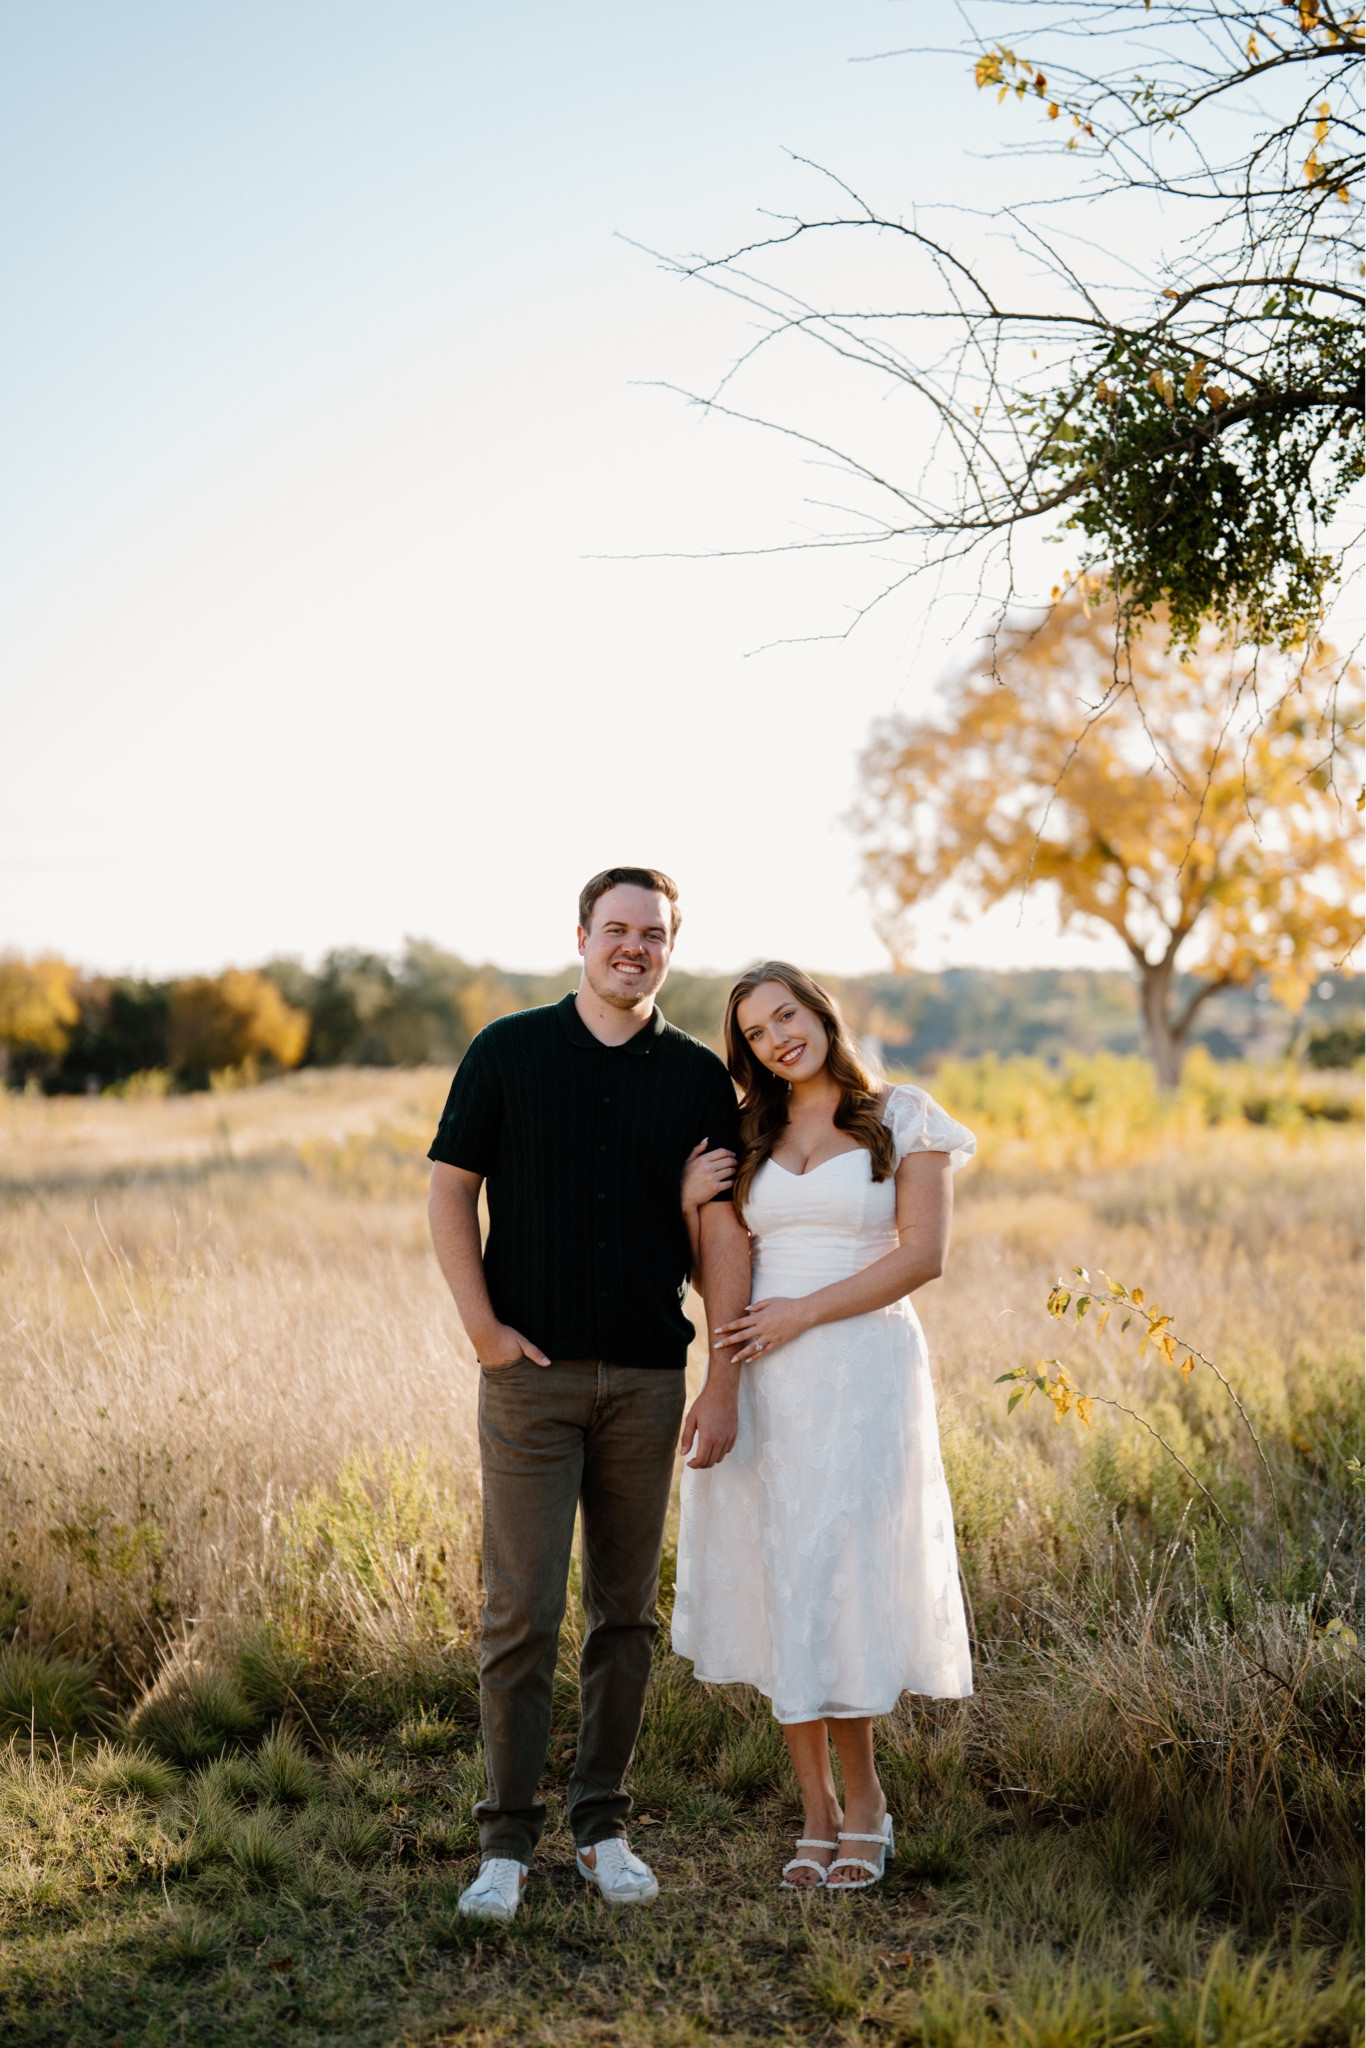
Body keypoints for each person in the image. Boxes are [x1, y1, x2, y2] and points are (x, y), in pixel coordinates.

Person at [426, 867, 751, 1924]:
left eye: (652, 934)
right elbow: (449, 1189)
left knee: (625, 1614)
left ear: (669, 947)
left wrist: (722, 1375)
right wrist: (481, 1328)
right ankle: (505, 1842)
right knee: (519, 1611)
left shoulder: (698, 1076)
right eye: (615, 929)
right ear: (580, 936)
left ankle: (601, 1825)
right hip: (529, 1379)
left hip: (650, 1381)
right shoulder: (507, 1050)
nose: (632, 947)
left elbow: (716, 1234)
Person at [672, 962, 975, 1891]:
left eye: (786, 1017)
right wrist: (692, 1204)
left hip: (863, 1372)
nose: (776, 1040)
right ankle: (814, 1813)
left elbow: (923, 1257)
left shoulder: (902, 1116)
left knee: (843, 1570)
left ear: (819, 1012)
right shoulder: (748, 1134)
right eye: (756, 1033)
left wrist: (804, 1313)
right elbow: (720, 1266)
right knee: (784, 1575)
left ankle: (868, 1802)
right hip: (766, 1378)